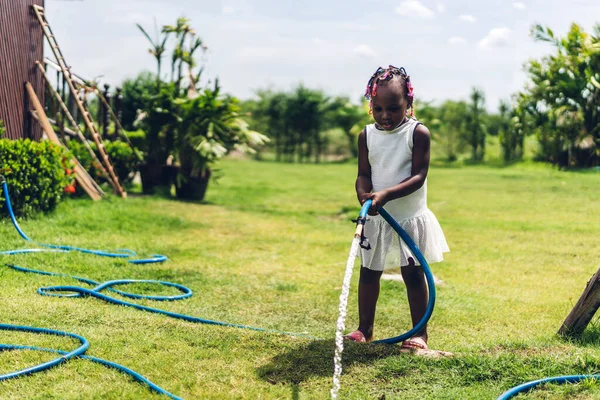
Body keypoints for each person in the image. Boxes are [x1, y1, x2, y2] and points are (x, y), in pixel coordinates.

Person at [344, 65, 449, 349]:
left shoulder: (417, 133)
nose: (385, 115)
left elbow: (418, 177)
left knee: (412, 274)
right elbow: (363, 172)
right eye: (378, 108)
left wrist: (386, 194)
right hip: (377, 217)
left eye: (393, 108)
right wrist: (362, 191)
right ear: (370, 107)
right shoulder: (366, 136)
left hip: (407, 217)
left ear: (409, 103)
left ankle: (419, 333)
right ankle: (364, 329)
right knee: (369, 272)